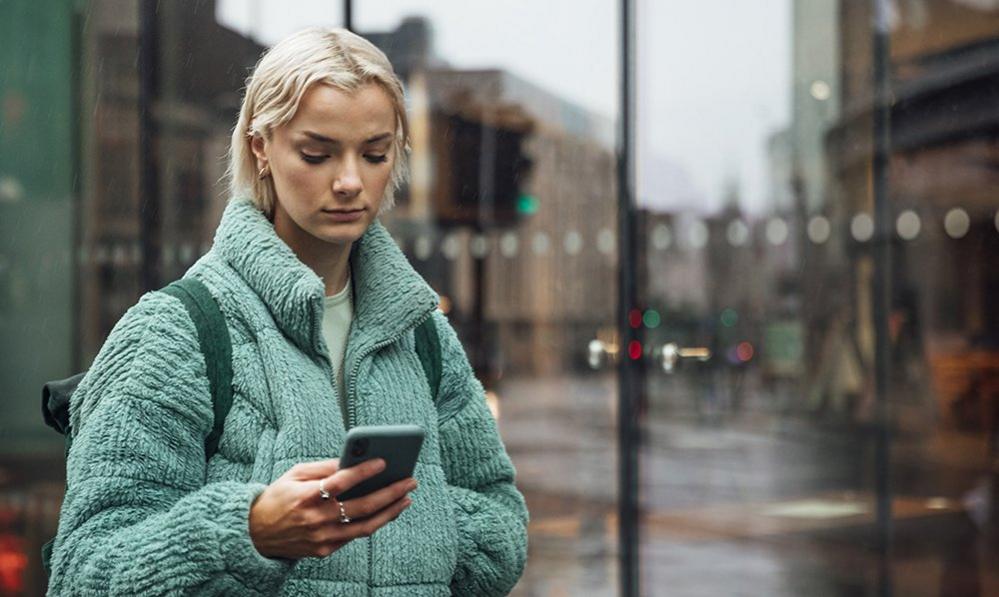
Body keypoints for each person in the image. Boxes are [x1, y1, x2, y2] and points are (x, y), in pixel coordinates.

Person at [47, 27, 528, 596]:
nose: (351, 181)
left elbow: (502, 528)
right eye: (317, 153)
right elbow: (85, 570)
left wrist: (421, 533)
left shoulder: (420, 330)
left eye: (375, 154)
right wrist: (248, 533)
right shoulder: (177, 331)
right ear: (261, 147)